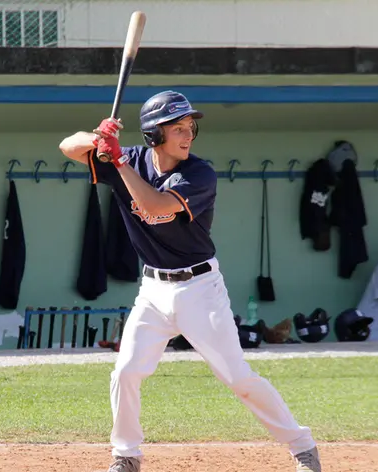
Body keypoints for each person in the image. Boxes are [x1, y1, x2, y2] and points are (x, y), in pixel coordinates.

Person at [58, 90, 320, 472]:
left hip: (200, 290)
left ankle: (303, 447)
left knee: (238, 378)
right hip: (152, 291)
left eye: (190, 127)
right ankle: (126, 456)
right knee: (126, 372)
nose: (187, 135)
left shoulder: (199, 173)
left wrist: (116, 160)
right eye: (177, 128)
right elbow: (67, 146)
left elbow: (155, 206)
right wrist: (100, 139)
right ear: (153, 136)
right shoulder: (127, 158)